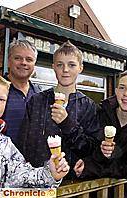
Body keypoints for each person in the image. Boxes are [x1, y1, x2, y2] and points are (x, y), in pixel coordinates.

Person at [16, 41, 100, 178]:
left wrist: (67, 123)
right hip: (35, 180)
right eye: (60, 65)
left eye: (71, 65)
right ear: (53, 67)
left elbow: (90, 149)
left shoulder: (88, 106)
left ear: (80, 68)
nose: (65, 70)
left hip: (70, 183)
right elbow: (22, 143)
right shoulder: (37, 100)